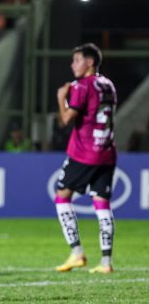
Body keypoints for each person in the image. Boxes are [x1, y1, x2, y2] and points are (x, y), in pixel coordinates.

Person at [53, 43, 117, 274]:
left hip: (84, 153)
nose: (73, 65)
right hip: (107, 152)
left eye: (77, 60)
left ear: (90, 62)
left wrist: (62, 98)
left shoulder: (82, 86)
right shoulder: (108, 84)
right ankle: (107, 262)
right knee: (102, 204)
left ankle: (77, 253)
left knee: (62, 197)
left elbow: (66, 120)